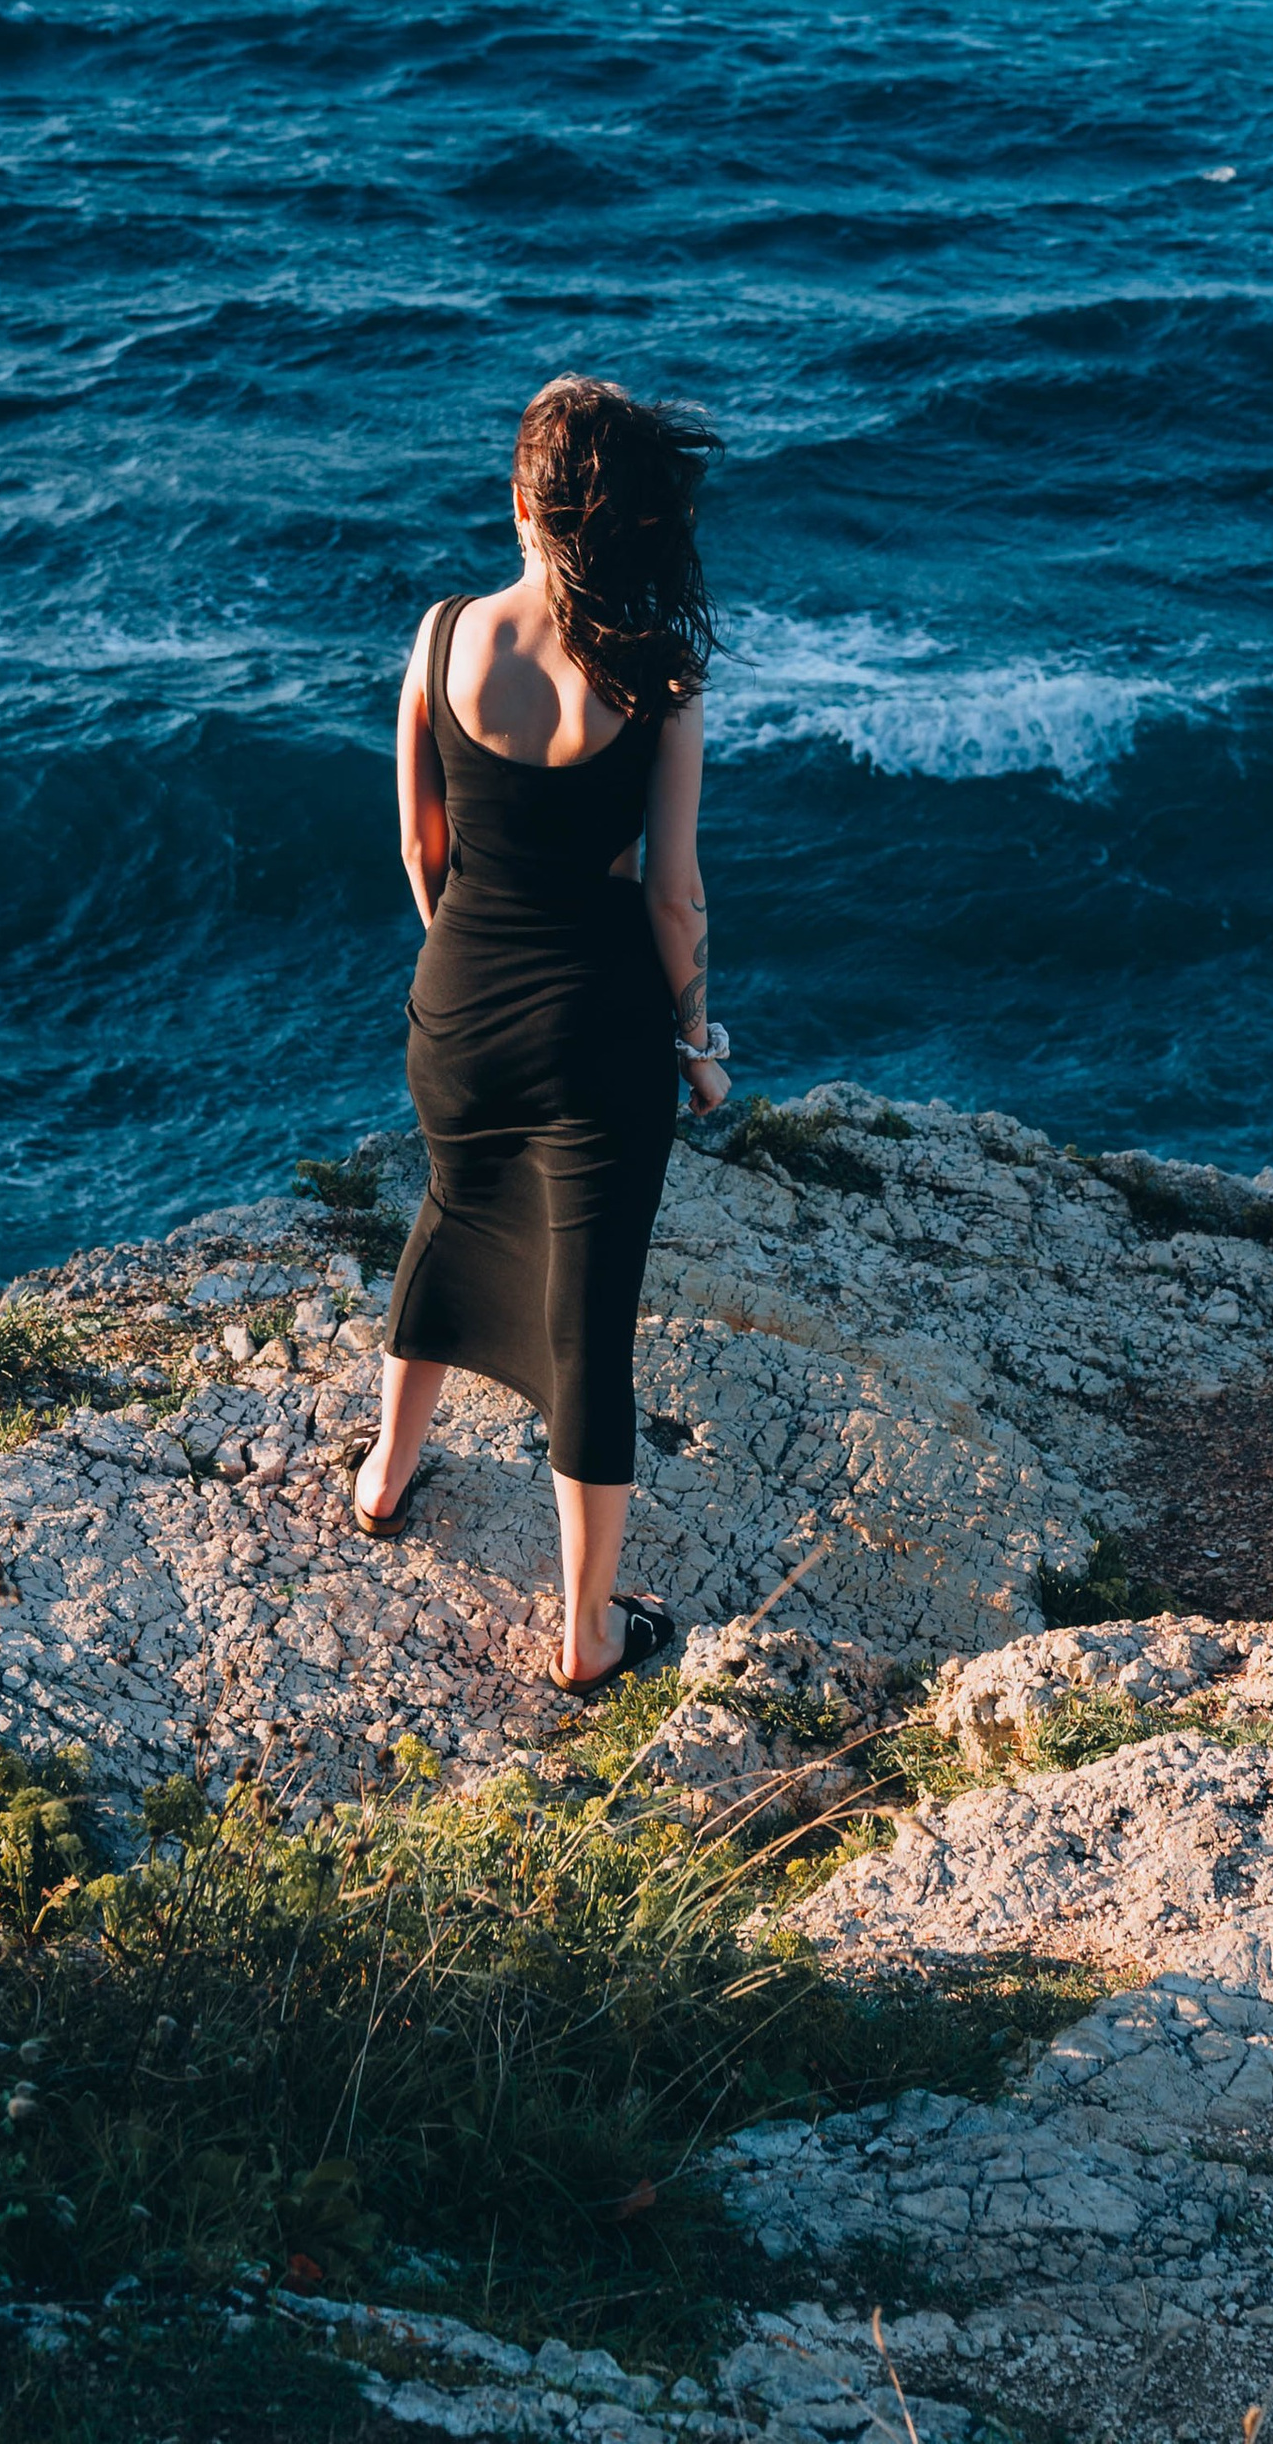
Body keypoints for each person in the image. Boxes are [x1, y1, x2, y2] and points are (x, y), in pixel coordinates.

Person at [351, 375, 729, 1695]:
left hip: (456, 1003)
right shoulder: (659, 681)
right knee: (591, 1325)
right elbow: (673, 896)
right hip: (601, 1032)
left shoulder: (444, 634)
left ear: (521, 500)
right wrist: (698, 1040)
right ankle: (586, 1633)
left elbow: (417, 842)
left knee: (454, 1212)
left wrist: (465, 950)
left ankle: (385, 1478)